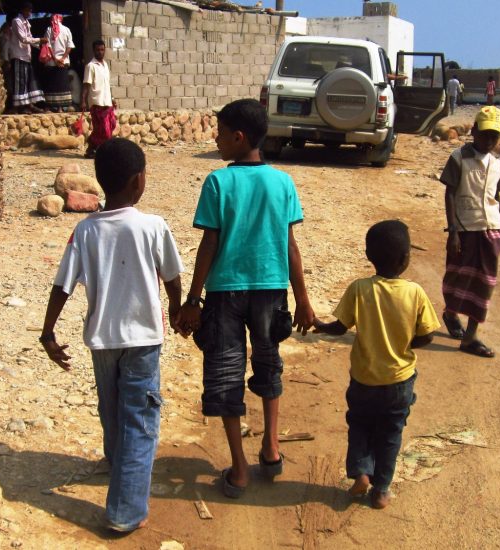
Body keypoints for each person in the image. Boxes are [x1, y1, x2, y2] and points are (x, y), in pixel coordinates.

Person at [39, 138, 184, 532]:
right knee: (139, 418)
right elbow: (172, 277)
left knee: (112, 408)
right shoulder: (153, 226)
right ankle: (125, 511)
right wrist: (177, 309)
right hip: (143, 340)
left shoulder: (85, 230)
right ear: (139, 181)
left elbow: (63, 285)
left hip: (102, 340)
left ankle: (116, 463)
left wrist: (48, 332)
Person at [176, 99, 315, 498]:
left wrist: (193, 300)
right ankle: (270, 447)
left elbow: (210, 243)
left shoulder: (218, 182)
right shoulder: (283, 183)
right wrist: (302, 299)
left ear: (238, 137)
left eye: (220, 134)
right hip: (271, 291)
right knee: (268, 364)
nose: (216, 140)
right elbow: (290, 245)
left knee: (225, 374)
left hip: (225, 293)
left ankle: (239, 468)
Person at [312, 220, 439, 510]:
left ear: (369, 255)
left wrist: (320, 325)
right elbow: (428, 336)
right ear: (406, 258)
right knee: (391, 433)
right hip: (399, 381)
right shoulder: (415, 292)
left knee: (360, 425)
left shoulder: (359, 288)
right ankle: (381, 490)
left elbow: (340, 327)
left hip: (364, 379)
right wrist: (404, 345)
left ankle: (361, 472)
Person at [439, 106, 500, 358]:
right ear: (475, 131)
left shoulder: (497, 162)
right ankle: (450, 313)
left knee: (484, 283)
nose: (489, 140)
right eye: (485, 134)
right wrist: (453, 232)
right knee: (457, 276)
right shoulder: (459, 158)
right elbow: (449, 193)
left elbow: (496, 197)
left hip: (490, 230)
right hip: (465, 229)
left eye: (495, 136)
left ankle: (470, 336)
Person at [7, 3, 47, 114]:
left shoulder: (27, 23)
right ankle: (17, 106)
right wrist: (39, 40)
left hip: (26, 57)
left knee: (26, 82)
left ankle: (27, 105)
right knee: (19, 82)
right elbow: (23, 39)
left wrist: (41, 46)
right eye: (27, 10)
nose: (29, 13)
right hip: (18, 55)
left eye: (30, 11)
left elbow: (30, 38)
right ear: (22, 10)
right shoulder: (16, 21)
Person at [82, 39, 117, 159]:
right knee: (104, 130)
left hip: (107, 102)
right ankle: (102, 151)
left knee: (111, 125)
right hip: (97, 102)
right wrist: (83, 101)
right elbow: (86, 84)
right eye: (98, 50)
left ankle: (91, 148)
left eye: (102, 50)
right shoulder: (90, 66)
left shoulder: (105, 65)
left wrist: (112, 98)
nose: (100, 52)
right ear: (94, 51)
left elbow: (107, 84)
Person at [41, 14, 76, 112]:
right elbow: (69, 46)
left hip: (52, 62)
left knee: (51, 84)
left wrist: (55, 59)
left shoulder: (49, 29)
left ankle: (49, 107)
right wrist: (63, 58)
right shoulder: (67, 30)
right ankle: (60, 108)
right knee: (61, 85)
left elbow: (47, 45)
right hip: (63, 62)